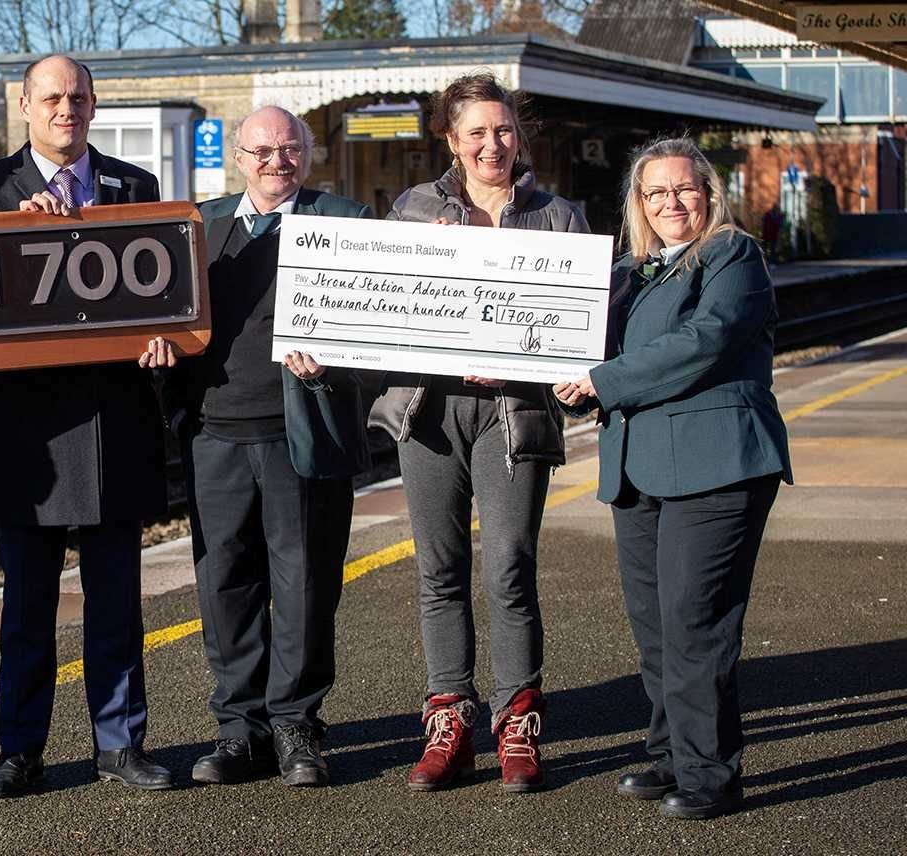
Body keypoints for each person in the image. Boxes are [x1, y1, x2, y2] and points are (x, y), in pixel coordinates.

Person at [0, 54, 172, 797]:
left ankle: (121, 742)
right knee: (27, 610)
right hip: (30, 437)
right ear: (22, 104)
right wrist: (13, 245)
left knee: (116, 604)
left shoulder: (135, 188)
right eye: (50, 98)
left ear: (95, 103)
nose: (65, 109)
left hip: (114, 426)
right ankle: (19, 749)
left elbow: (163, 300)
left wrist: (162, 342)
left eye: (77, 97)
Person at [554, 137, 791, 820]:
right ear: (640, 203)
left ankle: (710, 772)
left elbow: (706, 340)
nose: (671, 203)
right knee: (656, 623)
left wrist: (602, 380)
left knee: (695, 621)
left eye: (684, 189)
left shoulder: (731, 256)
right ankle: (671, 751)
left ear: (709, 195)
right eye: (655, 192)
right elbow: (578, 341)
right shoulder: (632, 271)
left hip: (716, 461)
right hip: (639, 466)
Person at [367, 72, 588, 793]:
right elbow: (386, 316)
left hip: (513, 414)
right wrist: (420, 266)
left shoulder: (558, 217)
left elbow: (584, 327)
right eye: (476, 133)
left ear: (518, 135)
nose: (492, 144)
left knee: (510, 567)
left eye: (503, 130)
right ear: (451, 140)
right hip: (427, 415)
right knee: (438, 571)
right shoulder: (413, 210)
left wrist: (547, 366)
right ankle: (450, 722)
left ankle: (517, 722)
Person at [141, 106, 369, 788]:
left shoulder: (344, 222)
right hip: (213, 432)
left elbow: (378, 328)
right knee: (225, 585)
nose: (278, 161)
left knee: (304, 584)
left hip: (296, 432)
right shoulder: (195, 228)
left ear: (307, 154)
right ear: (239, 157)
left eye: (290, 148)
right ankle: (240, 729)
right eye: (263, 150)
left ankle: (297, 723)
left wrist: (334, 363)